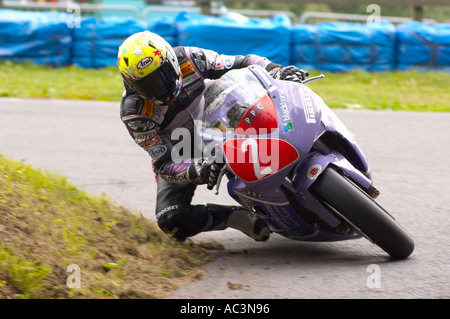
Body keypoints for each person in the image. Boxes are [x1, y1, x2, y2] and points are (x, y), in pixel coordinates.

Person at [117, 31, 308, 242]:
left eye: (161, 76)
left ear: (171, 62)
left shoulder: (189, 58)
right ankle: (235, 217)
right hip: (184, 153)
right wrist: (197, 168)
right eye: (147, 84)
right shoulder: (134, 112)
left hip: (220, 117)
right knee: (171, 220)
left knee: (268, 113)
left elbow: (242, 62)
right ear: (131, 84)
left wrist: (277, 70)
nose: (159, 89)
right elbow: (164, 163)